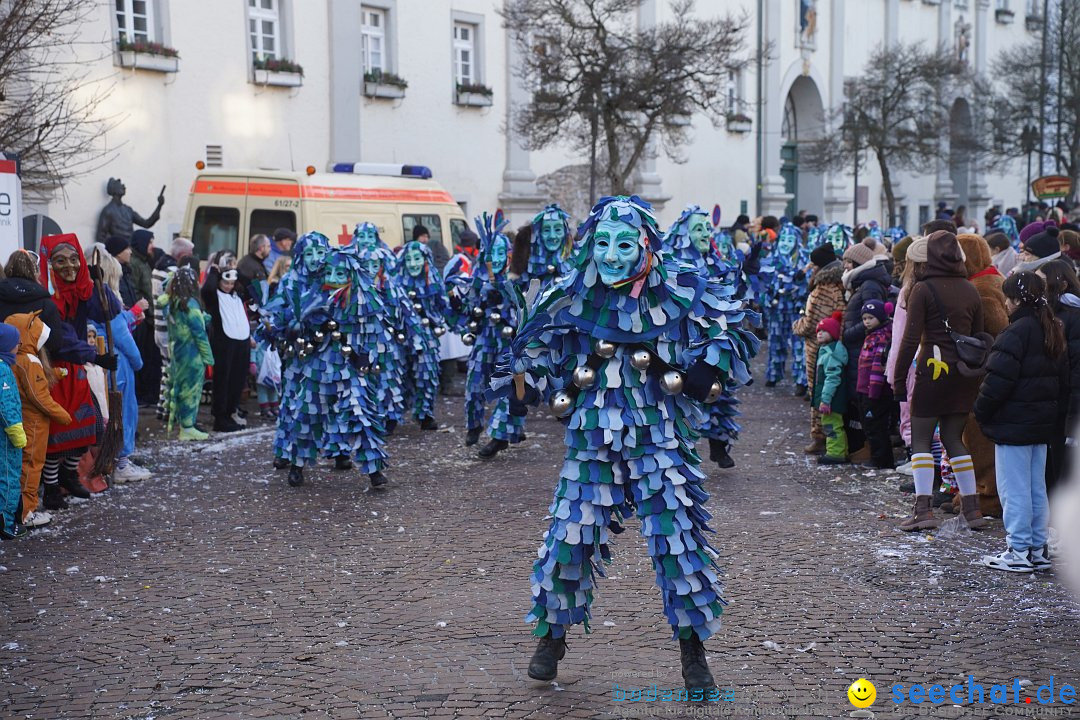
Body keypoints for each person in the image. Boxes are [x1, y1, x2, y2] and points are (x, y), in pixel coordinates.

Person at [504, 196, 757, 693]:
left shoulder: (681, 290)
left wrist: (708, 366)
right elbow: (532, 348)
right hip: (591, 443)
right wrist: (529, 368)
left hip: (659, 441)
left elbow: (723, 333)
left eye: (624, 243)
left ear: (646, 244)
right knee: (569, 542)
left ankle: (693, 656)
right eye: (602, 243)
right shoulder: (568, 294)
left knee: (679, 546)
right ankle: (551, 638)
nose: (613, 254)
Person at [893, 231, 986, 531]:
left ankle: (923, 510)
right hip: (962, 375)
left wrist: (898, 379)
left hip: (932, 372)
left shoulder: (922, 289)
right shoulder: (971, 289)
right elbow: (979, 335)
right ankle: (972, 508)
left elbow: (909, 341)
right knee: (954, 439)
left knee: (921, 440)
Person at [975, 272, 1065, 573]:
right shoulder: (1050, 327)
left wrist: (981, 411)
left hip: (1014, 423)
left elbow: (997, 382)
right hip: (1041, 423)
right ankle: (1037, 548)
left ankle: (1018, 550)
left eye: (1008, 297)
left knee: (1014, 489)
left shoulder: (1015, 332)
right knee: (1035, 488)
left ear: (1015, 300)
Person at [445, 214, 524, 458]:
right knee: (474, 385)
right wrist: (457, 304)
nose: (496, 260)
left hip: (506, 345)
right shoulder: (477, 282)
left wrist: (505, 299)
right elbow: (469, 311)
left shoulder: (516, 282)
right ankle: (474, 425)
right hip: (482, 343)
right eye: (491, 255)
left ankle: (500, 436)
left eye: (501, 254)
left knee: (506, 389)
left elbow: (524, 312)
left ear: (508, 256)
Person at [956, 233, 1009, 517]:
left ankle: (988, 493)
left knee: (979, 435)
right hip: (988, 373)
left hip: (984, 375)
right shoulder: (988, 280)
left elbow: (998, 332)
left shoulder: (982, 288)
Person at [88, 247, 149, 483]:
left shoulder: (90, 295)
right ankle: (121, 463)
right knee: (122, 413)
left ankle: (114, 462)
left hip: (103, 359)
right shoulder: (105, 298)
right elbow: (120, 334)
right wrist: (138, 361)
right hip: (118, 363)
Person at [8, 312, 70, 530]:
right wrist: (62, 414)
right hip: (34, 423)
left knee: (24, 465)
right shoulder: (30, 361)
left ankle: (20, 509)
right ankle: (26, 511)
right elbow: (38, 396)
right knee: (32, 465)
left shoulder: (16, 359)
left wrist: (54, 373)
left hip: (24, 419)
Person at [792, 243, 846, 454]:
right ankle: (833, 438)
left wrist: (796, 325)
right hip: (837, 345)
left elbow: (810, 324)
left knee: (818, 391)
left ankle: (820, 435)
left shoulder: (821, 290)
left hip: (818, 348)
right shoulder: (840, 285)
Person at [1037, 259, 1080, 497]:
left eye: (1042, 281)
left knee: (1062, 465)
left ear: (1060, 283)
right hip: (1050, 399)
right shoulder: (1047, 312)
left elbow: (1075, 369)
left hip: (1064, 402)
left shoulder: (1072, 316)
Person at [162, 267, 214, 441]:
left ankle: (183, 425)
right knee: (191, 390)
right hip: (192, 355)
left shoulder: (172, 302)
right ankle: (187, 427)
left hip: (178, 352)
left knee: (179, 387)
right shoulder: (191, 304)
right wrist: (208, 358)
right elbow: (199, 333)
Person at [201, 267, 250, 432]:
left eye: (232, 283)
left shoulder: (237, 295)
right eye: (225, 282)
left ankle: (231, 412)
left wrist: (236, 270)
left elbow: (251, 284)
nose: (229, 286)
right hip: (224, 343)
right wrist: (215, 272)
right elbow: (206, 289)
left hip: (241, 342)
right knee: (223, 380)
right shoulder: (214, 297)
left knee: (238, 381)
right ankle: (220, 417)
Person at [855, 299, 894, 469]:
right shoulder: (871, 334)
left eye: (871, 317)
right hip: (865, 389)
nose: (867, 321)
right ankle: (877, 457)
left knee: (876, 427)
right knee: (870, 425)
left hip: (875, 392)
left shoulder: (881, 336)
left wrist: (873, 391)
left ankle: (881, 460)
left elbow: (877, 367)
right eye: (864, 318)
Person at [0, 323, 27, 539]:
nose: (18, 346)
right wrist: (17, 434)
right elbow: (6, 405)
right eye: (16, 343)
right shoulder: (3, 370)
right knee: (8, 479)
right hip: (6, 439)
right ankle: (7, 525)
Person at [814, 312, 849, 465]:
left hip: (831, 400)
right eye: (818, 331)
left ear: (833, 333)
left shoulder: (831, 353)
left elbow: (832, 378)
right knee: (836, 424)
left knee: (831, 425)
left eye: (824, 331)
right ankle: (841, 450)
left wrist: (825, 400)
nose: (820, 333)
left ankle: (835, 453)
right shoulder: (827, 350)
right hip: (831, 398)